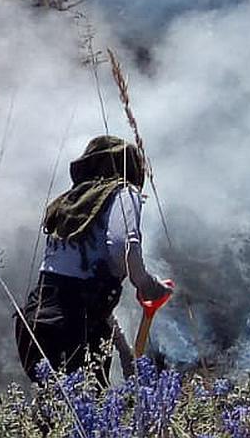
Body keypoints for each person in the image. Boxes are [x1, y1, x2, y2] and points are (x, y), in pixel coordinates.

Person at [14, 135, 174, 383]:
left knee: (54, 415)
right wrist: (147, 285)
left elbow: (81, 294)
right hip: (75, 329)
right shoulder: (123, 192)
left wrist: (123, 350)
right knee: (85, 411)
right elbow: (123, 245)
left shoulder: (71, 204)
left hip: (37, 324)